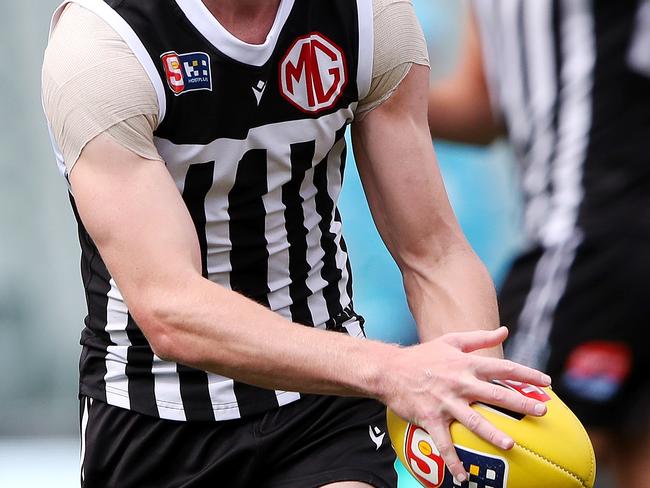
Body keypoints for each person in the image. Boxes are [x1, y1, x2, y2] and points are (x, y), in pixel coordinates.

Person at [42, 0, 552, 486]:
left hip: (324, 404)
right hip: (154, 410)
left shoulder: (368, 16)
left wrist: (473, 407)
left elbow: (435, 255)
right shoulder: (103, 43)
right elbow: (171, 309)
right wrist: (394, 371)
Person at [427, 2, 650, 487]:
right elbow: (480, 109)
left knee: (500, 455)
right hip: (590, 241)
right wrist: (365, 86)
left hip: (588, 240)